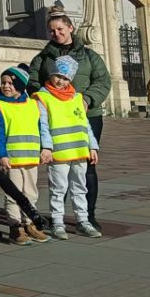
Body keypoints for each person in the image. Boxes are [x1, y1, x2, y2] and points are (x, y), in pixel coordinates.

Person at [28, 13, 110, 229]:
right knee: (59, 166)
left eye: (60, 29)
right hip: (55, 120)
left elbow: (103, 80)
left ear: (70, 28)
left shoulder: (89, 56)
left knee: (87, 166)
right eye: (52, 30)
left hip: (86, 117)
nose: (56, 33)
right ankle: (58, 215)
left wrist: (87, 99)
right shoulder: (43, 58)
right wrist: (47, 98)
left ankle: (88, 215)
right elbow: (32, 82)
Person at [33, 56, 101, 240]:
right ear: (51, 74)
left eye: (65, 78)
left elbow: (85, 124)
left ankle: (83, 221)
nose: (60, 81)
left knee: (80, 187)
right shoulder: (43, 97)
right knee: (58, 188)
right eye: (58, 76)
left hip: (79, 150)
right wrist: (46, 147)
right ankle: (57, 222)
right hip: (59, 152)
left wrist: (92, 146)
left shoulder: (77, 98)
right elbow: (42, 124)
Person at [0, 66, 50, 245]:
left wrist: (44, 148)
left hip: (31, 158)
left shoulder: (32, 104)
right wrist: (1, 155)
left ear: (20, 85)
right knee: (13, 193)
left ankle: (29, 223)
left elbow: (40, 128)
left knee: (30, 192)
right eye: (3, 83)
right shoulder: (0, 105)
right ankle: (15, 226)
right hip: (12, 159)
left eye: (10, 83)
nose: (6, 86)